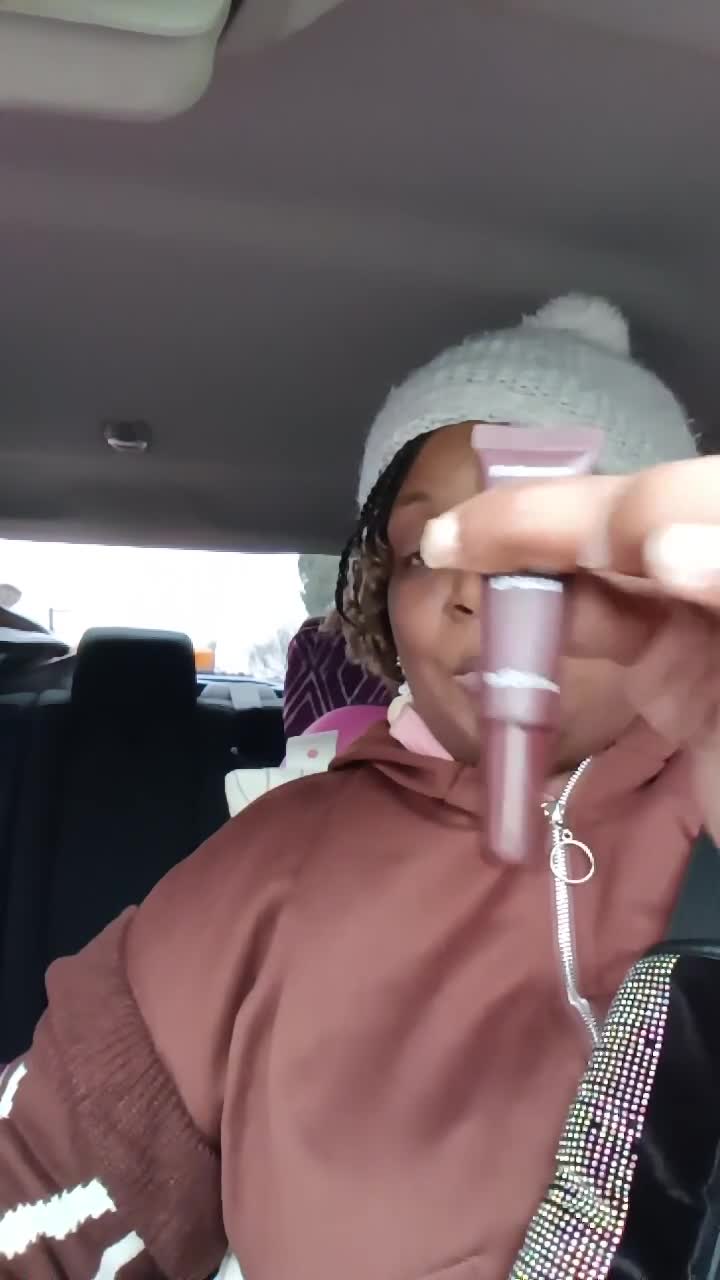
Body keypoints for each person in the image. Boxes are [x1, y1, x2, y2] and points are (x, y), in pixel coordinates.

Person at [1, 293, 719, 1280]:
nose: (477, 590)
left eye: (550, 543)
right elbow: (42, 1184)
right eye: (427, 551)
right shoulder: (276, 860)